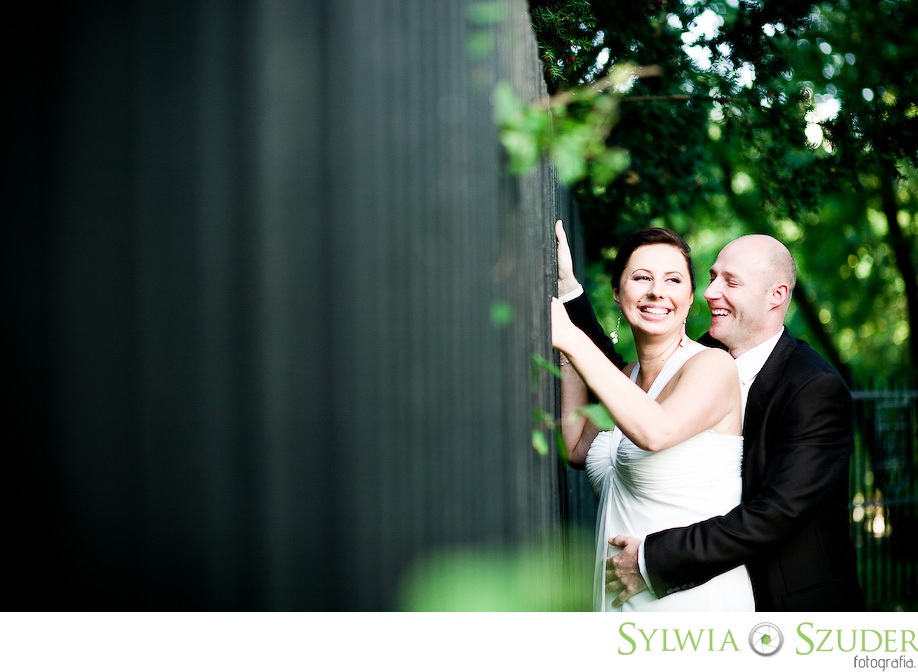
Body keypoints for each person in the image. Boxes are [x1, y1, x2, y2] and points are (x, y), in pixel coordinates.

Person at [561, 222, 865, 611]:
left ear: (776, 295)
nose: (710, 292)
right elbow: (630, 387)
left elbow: (776, 514)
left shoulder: (812, 386)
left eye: (730, 282)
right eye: (711, 277)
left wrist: (652, 560)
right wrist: (569, 297)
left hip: (785, 603)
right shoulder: (701, 354)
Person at [551, 221, 754, 611]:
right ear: (617, 292)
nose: (657, 291)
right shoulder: (626, 378)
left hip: (691, 605)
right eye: (641, 277)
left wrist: (573, 338)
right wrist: (564, 295)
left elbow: (657, 431)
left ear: (690, 298)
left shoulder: (712, 366)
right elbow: (576, 448)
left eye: (673, 280)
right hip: (620, 605)